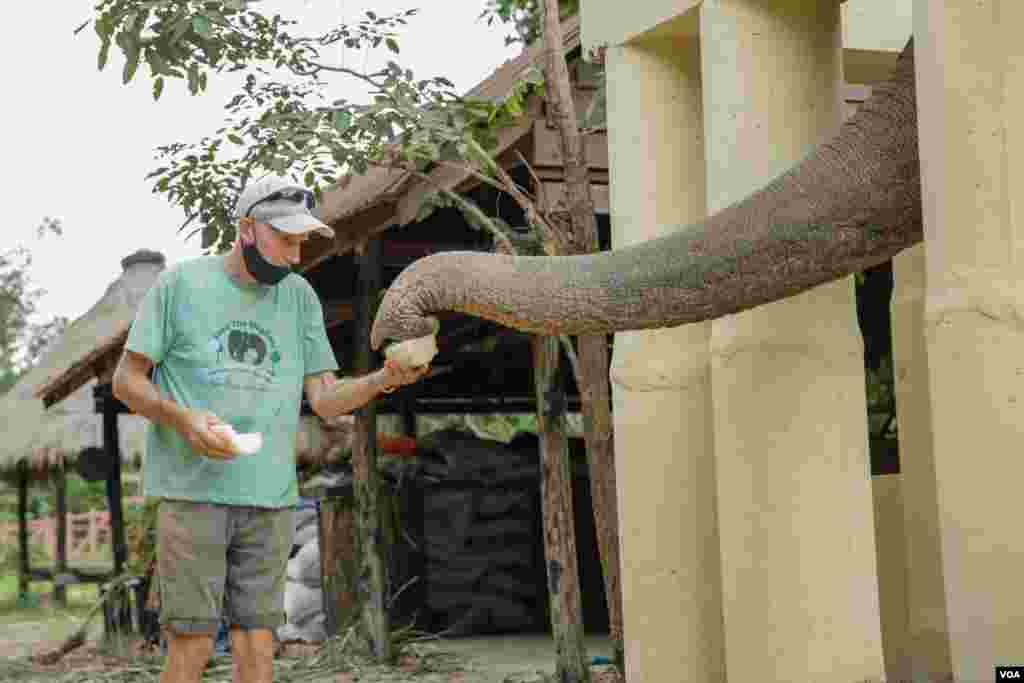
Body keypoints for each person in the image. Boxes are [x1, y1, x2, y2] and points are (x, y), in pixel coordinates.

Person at [113, 175, 427, 683]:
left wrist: (386, 377)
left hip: (270, 497)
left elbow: (325, 400)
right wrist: (183, 419)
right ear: (246, 229)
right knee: (192, 640)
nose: (296, 254)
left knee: (258, 644)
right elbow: (126, 381)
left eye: (301, 241)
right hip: (192, 493)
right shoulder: (180, 286)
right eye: (285, 239)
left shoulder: (299, 297)